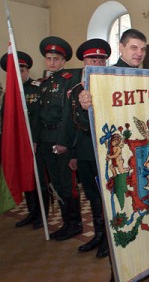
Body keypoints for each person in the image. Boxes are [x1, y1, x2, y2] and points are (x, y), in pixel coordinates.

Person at [79, 29, 149, 280]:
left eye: (142, 48)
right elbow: (85, 122)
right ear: (121, 48)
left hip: (144, 158)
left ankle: (148, 264)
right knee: (122, 216)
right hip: (121, 162)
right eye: (133, 48)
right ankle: (120, 272)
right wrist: (86, 106)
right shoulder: (103, 76)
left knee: (148, 210)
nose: (139, 53)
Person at [60, 38, 111, 257]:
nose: (97, 63)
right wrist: (72, 154)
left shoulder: (113, 86)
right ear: (84, 62)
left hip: (106, 152)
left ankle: (110, 241)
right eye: (92, 59)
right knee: (92, 195)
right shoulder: (76, 90)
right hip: (84, 152)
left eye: (101, 60)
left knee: (108, 196)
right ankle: (99, 235)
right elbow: (70, 124)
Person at [32, 36, 83, 241]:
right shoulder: (44, 84)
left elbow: (68, 115)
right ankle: (66, 222)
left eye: (56, 58)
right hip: (45, 138)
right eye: (49, 58)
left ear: (63, 61)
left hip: (61, 139)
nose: (52, 62)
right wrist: (35, 139)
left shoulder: (69, 80)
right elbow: (38, 114)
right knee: (55, 182)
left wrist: (64, 142)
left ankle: (75, 223)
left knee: (66, 183)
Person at [0, 51, 49, 229]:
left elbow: (39, 118)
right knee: (25, 178)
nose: (20, 74)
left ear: (27, 70)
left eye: (22, 70)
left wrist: (35, 140)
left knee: (38, 181)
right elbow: (5, 120)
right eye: (15, 71)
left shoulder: (37, 89)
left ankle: (42, 215)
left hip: (35, 143)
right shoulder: (8, 95)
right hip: (19, 144)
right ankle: (32, 212)